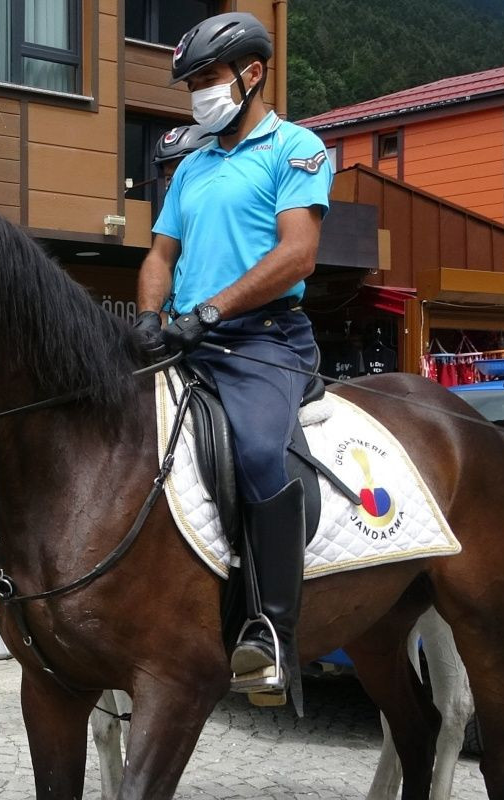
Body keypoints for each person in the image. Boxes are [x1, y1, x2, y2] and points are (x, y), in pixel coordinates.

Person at [131, 11, 334, 707]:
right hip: (188, 337)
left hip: (265, 341)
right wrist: (152, 320)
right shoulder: (191, 166)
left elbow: (297, 254)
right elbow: (160, 256)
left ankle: (273, 631)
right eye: (191, 84)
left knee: (255, 453)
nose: (198, 94)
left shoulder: (297, 149)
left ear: (252, 74)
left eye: (209, 78)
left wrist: (212, 311)